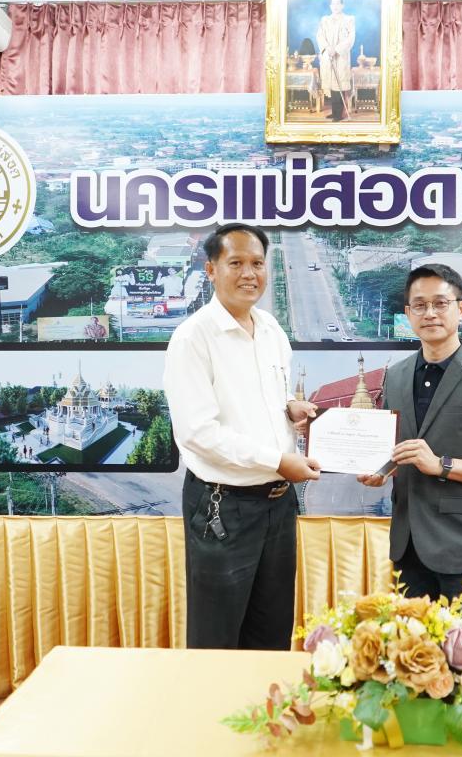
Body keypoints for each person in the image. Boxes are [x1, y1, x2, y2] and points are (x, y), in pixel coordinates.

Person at [163, 223, 320, 649]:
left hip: (279, 504)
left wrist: (291, 408)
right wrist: (278, 461)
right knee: (217, 636)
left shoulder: (270, 330)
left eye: (257, 263)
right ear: (211, 269)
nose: (249, 273)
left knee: (272, 630)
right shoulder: (193, 338)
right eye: (236, 263)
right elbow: (197, 432)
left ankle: (265, 697)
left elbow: (268, 398)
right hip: (223, 507)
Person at [358, 264, 462, 650]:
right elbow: (400, 448)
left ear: (461, 309)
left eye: (440, 303)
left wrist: (442, 465)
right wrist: (381, 470)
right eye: (419, 305)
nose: (430, 313)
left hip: (461, 547)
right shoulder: (396, 376)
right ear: (408, 314)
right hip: (407, 544)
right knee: (408, 655)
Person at [316, 0, 354, 122]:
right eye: (333, 4)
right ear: (330, 6)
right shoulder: (325, 20)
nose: (335, 6)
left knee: (339, 84)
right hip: (328, 55)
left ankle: (339, 114)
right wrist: (327, 48)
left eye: (338, 4)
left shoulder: (349, 19)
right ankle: (334, 112)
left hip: (341, 56)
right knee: (331, 85)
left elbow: (350, 38)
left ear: (342, 5)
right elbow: (320, 36)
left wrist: (336, 49)